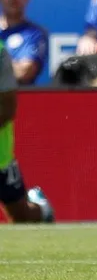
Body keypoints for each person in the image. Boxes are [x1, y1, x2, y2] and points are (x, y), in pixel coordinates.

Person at [0, 38, 54, 224]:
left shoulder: (0, 53)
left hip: (1, 156)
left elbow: (7, 109)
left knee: (22, 216)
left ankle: (42, 210)